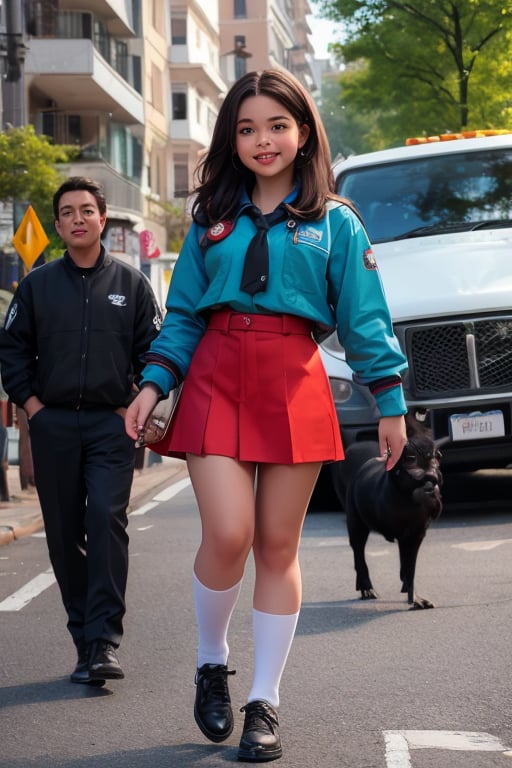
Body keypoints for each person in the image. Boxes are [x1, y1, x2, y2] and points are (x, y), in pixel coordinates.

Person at [125, 69, 408, 761]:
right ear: (232, 139)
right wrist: (154, 382)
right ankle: (210, 663)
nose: (263, 140)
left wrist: (391, 402)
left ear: (303, 132)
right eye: (247, 129)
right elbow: (184, 313)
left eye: (277, 126)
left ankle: (264, 702)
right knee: (228, 534)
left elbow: (364, 319)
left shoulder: (337, 222)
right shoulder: (209, 219)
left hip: (294, 378)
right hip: (217, 374)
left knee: (277, 547)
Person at [0, 177, 162, 686]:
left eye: (86, 210)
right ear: (57, 225)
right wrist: (33, 407)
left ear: (102, 218)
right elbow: (11, 352)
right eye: (67, 212)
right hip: (54, 427)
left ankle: (104, 641)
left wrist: (136, 403)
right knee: (66, 531)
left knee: (107, 520)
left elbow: (152, 353)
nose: (77, 219)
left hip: (111, 426)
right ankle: (83, 638)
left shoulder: (132, 285)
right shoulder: (36, 286)